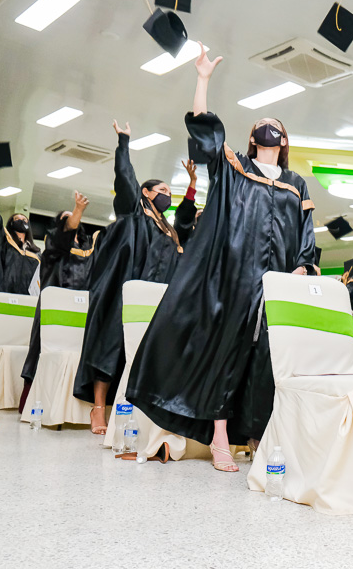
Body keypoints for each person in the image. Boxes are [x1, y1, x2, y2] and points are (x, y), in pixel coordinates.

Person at [126, 45, 316, 473]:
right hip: (235, 277)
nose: (269, 128)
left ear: (284, 141)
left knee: (267, 357)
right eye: (261, 125)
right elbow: (207, 134)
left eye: (277, 126)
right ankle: (220, 439)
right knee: (227, 352)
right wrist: (203, 80)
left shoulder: (297, 184)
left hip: (278, 283)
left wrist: (303, 268)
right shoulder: (234, 166)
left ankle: (260, 436)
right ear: (253, 138)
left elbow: (305, 239)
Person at [73, 121, 192, 435]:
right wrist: (123, 142)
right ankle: (99, 407)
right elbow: (125, 177)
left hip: (154, 300)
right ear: (146, 192)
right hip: (121, 293)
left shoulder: (168, 229)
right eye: (162, 190)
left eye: (169, 191)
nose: (167, 195)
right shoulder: (133, 211)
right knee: (110, 346)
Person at [19, 191, 97, 411]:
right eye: (66, 218)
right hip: (54, 310)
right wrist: (78, 210)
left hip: (81, 310)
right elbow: (64, 234)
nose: (71, 220)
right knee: (41, 352)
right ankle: (34, 404)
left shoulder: (87, 249)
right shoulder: (53, 245)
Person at [0, 170, 41, 361]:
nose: (22, 221)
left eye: (25, 220)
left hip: (25, 308)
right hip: (1, 301)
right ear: (11, 224)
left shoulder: (36, 254)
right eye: (17, 220)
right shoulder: (2, 242)